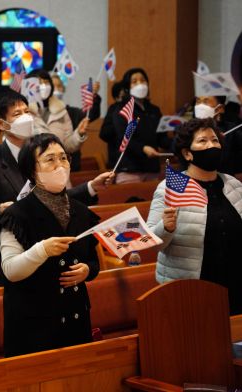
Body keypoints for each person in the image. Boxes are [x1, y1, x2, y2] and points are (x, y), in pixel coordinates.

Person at [0, 90, 112, 287]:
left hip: (50, 245)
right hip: (14, 248)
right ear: (1, 124)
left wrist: (90, 187)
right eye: (17, 114)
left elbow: (53, 196)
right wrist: (2, 209)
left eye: (26, 111)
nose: (25, 117)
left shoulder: (44, 149)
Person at [0, 133, 100, 356]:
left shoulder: (81, 211)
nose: (59, 165)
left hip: (75, 317)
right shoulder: (17, 214)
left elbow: (93, 261)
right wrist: (41, 250)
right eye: (49, 159)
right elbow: (10, 271)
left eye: (63, 158)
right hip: (35, 324)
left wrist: (87, 271)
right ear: (32, 170)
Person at [147, 118, 242, 315]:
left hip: (235, 284)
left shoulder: (234, 185)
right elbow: (150, 242)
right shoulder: (171, 188)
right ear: (187, 153)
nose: (212, 146)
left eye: (215, 140)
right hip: (192, 288)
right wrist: (166, 228)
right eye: (203, 141)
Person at [102, 68, 170, 182]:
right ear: (128, 87)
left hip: (151, 168)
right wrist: (143, 148)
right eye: (134, 81)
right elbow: (124, 137)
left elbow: (161, 137)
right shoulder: (122, 109)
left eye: (143, 80)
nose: (140, 84)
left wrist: (176, 144)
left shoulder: (154, 110)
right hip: (130, 168)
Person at [26, 69, 89, 154]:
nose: (44, 86)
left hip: (56, 164)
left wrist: (78, 134)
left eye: (46, 82)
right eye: (40, 83)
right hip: (31, 165)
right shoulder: (23, 111)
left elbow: (67, 145)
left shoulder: (61, 110)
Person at [50, 73, 102, 171]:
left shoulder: (72, 112)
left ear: (63, 89)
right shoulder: (41, 114)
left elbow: (91, 114)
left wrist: (94, 96)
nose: (56, 90)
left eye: (59, 86)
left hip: (71, 165)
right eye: (53, 86)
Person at [192, 94, 242, 176]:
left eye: (205, 101)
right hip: (194, 181)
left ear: (220, 108)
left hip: (224, 182)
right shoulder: (187, 129)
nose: (200, 106)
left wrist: (219, 141)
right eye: (198, 101)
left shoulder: (231, 130)